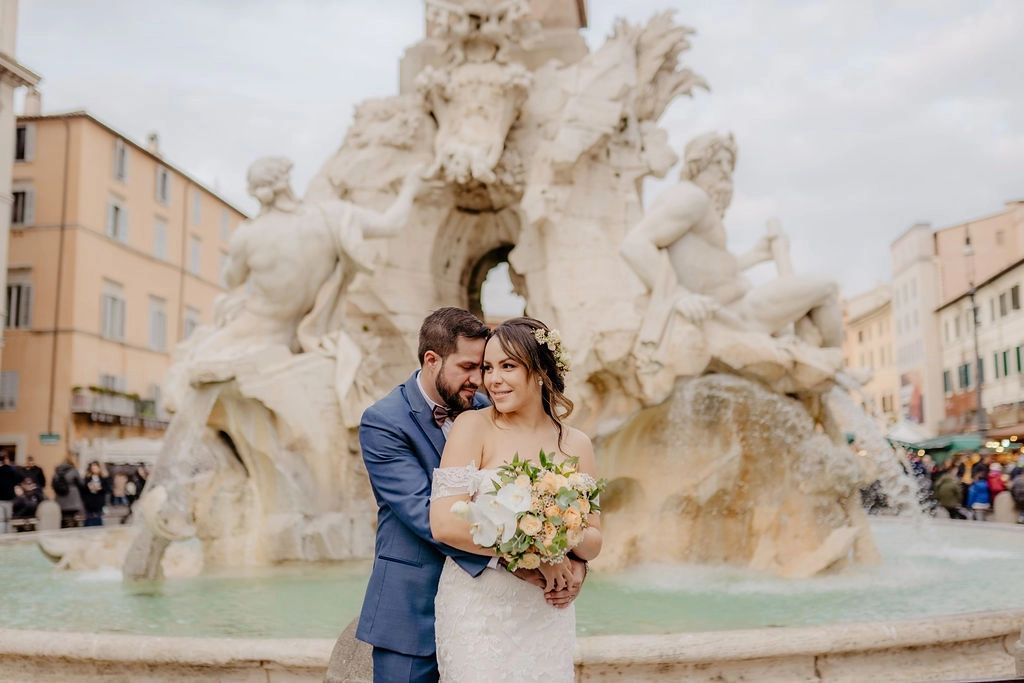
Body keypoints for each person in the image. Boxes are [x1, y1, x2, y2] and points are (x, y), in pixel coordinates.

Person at [356, 308, 586, 683]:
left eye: (486, 367)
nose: (481, 380)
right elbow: (425, 514)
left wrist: (572, 563)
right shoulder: (384, 421)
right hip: (412, 608)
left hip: (490, 609)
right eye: (469, 367)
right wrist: (526, 562)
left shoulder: (486, 410)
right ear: (432, 360)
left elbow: (537, 501)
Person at [429, 316, 602, 681]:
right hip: (477, 611)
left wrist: (564, 544)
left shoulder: (576, 444)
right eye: (488, 367)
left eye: (508, 366)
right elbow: (444, 523)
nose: (492, 379)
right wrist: (537, 551)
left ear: (539, 371)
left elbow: (594, 538)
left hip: (544, 612)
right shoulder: (472, 427)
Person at [53, 457, 84, 528]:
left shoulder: (57, 471)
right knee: (72, 517)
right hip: (72, 498)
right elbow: (81, 484)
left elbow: (53, 484)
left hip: (60, 499)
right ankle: (70, 530)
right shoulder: (74, 471)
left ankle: (63, 528)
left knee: (63, 517)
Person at [81, 461, 110, 527]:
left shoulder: (103, 478)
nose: (94, 468)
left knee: (98, 521)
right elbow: (83, 489)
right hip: (89, 502)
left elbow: (107, 489)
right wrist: (88, 487)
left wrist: (100, 488)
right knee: (89, 521)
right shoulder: (87, 478)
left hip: (99, 502)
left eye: (96, 467)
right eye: (93, 467)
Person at [0, 452, 20, 533]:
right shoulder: (13, 471)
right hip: (9, 498)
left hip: (0, 499)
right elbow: (17, 481)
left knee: (1, 519)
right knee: (8, 519)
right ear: (7, 460)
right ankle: (8, 535)